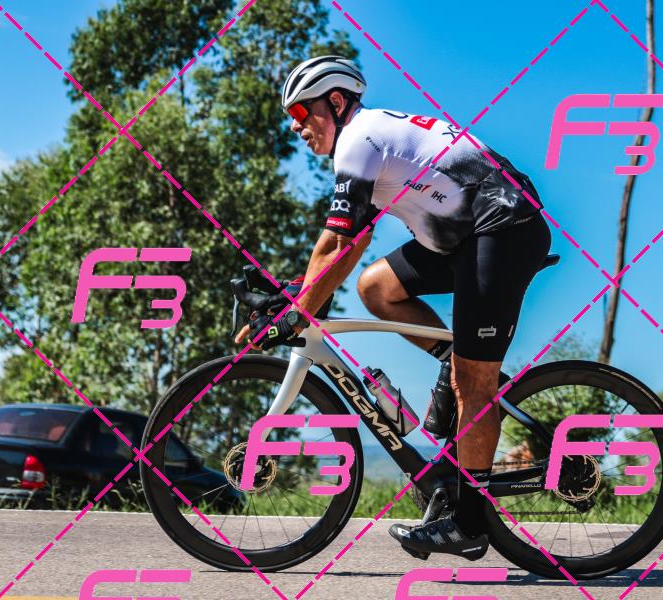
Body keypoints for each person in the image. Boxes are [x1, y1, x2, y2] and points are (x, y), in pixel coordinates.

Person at [235, 55, 551, 561]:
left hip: (503, 228)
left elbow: (341, 243)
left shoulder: (359, 139)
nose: (296, 127)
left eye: (300, 113)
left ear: (335, 101)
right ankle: (455, 365)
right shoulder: (370, 138)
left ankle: (469, 525)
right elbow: (344, 245)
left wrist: (297, 312)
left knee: (474, 383)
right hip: (464, 235)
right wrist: (296, 296)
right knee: (376, 288)